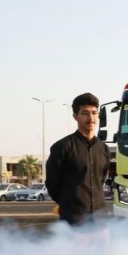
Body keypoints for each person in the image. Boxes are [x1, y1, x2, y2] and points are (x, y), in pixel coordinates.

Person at [46, 92, 110, 226]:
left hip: (101, 218)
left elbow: (101, 178)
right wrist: (69, 204)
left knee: (103, 248)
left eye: (94, 112)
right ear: (75, 116)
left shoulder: (103, 148)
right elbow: (52, 183)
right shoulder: (62, 147)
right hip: (74, 219)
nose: (91, 117)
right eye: (85, 113)